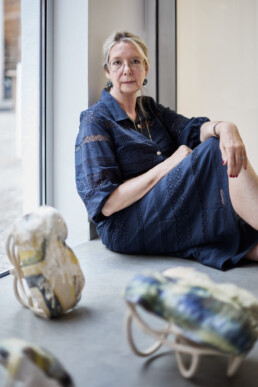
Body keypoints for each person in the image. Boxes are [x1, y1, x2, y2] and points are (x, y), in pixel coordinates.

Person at [75, 31, 258, 270]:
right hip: (125, 224)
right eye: (117, 63)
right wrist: (168, 164)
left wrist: (226, 127)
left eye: (135, 61)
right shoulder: (96, 120)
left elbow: (193, 130)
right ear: (108, 72)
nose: (127, 69)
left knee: (218, 143)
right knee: (214, 150)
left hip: (169, 207)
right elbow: (107, 204)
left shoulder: (149, 109)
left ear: (146, 68)